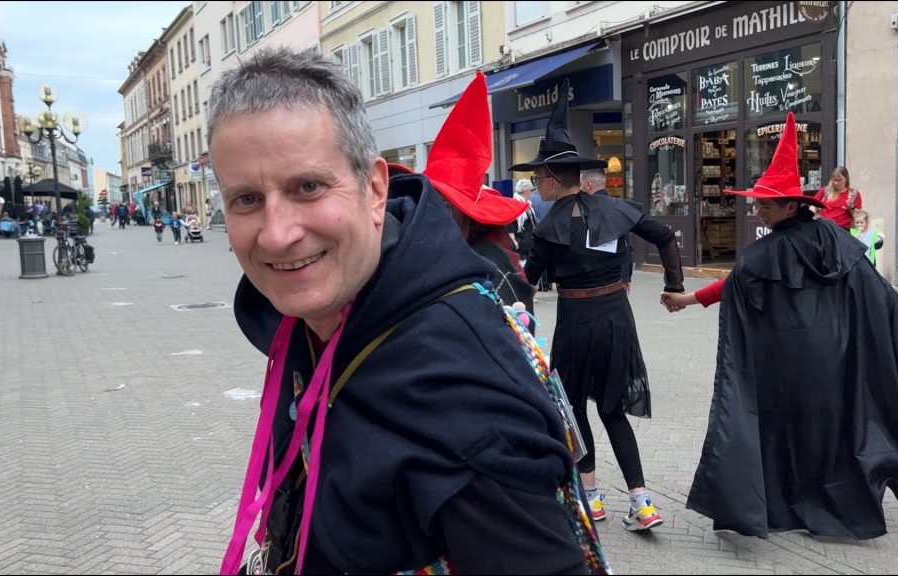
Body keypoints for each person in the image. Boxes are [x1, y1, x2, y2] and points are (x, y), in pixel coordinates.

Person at [211, 48, 605, 575]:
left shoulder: (463, 397)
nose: (278, 234)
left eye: (307, 187)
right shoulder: (319, 310)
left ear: (376, 190)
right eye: (246, 199)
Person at [685, 112, 898, 541]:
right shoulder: (831, 239)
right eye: (757, 202)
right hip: (836, 356)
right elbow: (878, 291)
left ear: (791, 205)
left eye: (765, 203)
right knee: (832, 431)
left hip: (787, 363)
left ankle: (794, 506)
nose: (758, 209)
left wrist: (688, 299)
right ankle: (840, 509)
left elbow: (732, 287)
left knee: (792, 432)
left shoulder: (763, 254)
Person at [511, 78, 685, 532]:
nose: (535, 185)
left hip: (575, 323)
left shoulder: (548, 227)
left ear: (552, 179)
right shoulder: (616, 209)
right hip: (617, 320)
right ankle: (642, 501)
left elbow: (530, 280)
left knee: (576, 408)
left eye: (536, 178)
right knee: (611, 409)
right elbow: (666, 237)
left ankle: (591, 498)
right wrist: (672, 286)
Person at [389, 73, 536, 329]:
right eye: (427, 201)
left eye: (444, 205)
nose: (432, 213)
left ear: (467, 215)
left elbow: (514, 337)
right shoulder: (432, 250)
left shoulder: (489, 261)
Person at [511, 178, 538, 265]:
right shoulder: (515, 204)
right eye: (530, 190)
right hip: (521, 245)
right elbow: (510, 225)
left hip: (529, 243)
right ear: (525, 191)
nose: (531, 192)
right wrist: (513, 240)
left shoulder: (528, 205)